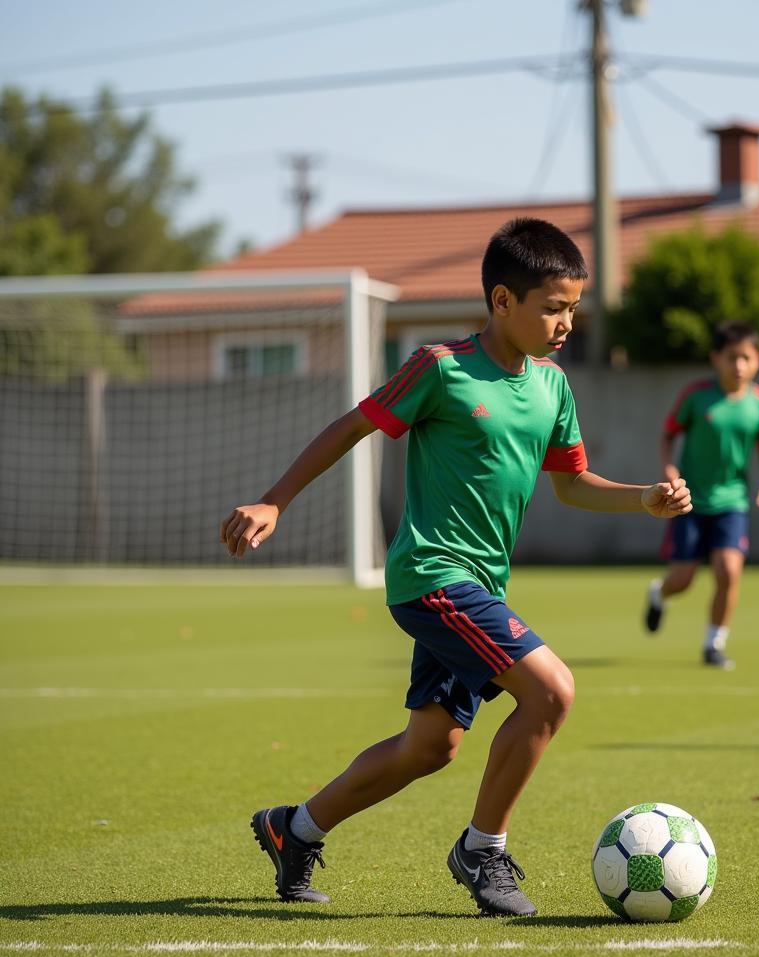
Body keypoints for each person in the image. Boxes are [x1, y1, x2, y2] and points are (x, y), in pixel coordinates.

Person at [221, 218, 692, 917]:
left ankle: (293, 829)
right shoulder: (441, 367)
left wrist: (643, 500)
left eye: (573, 308)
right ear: (503, 301)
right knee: (552, 693)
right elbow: (354, 424)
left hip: (480, 587)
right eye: (552, 307)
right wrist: (274, 500)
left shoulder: (554, 387)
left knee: (430, 747)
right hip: (432, 578)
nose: (566, 323)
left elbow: (571, 482)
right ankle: (483, 851)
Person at [643, 319, 759, 671]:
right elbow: (666, 435)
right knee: (683, 579)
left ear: (758, 361)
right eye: (731, 357)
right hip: (689, 501)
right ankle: (659, 594)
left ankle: (713, 644)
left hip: (732, 502)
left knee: (728, 571)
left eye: (746, 358)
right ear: (715, 358)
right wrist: (668, 468)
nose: (739, 365)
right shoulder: (696, 396)